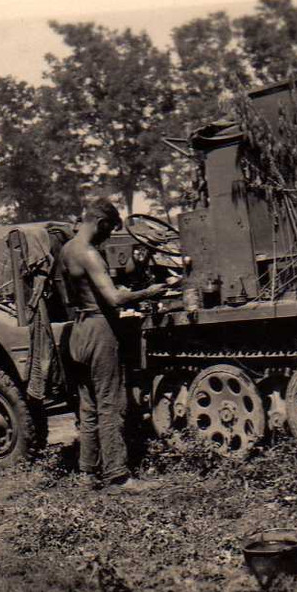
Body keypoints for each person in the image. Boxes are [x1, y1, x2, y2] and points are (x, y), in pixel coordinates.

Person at [61, 197, 175, 494]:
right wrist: (147, 292)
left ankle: (87, 473)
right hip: (100, 330)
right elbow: (113, 299)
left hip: (79, 330)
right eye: (109, 230)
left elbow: (85, 293)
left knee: (88, 406)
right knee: (111, 403)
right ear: (100, 223)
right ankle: (118, 477)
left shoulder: (66, 250)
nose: (109, 236)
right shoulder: (89, 253)